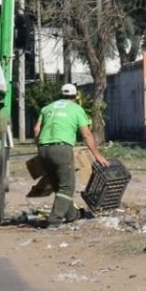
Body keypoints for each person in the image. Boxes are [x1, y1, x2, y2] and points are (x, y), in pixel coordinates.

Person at [33, 83, 109, 225]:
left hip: (43, 149)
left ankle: (72, 215)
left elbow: (37, 130)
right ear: (75, 96)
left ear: (60, 95)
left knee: (58, 186)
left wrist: (41, 148)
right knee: (67, 187)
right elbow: (86, 134)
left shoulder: (47, 108)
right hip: (61, 148)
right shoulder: (76, 109)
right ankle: (54, 220)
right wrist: (97, 155)